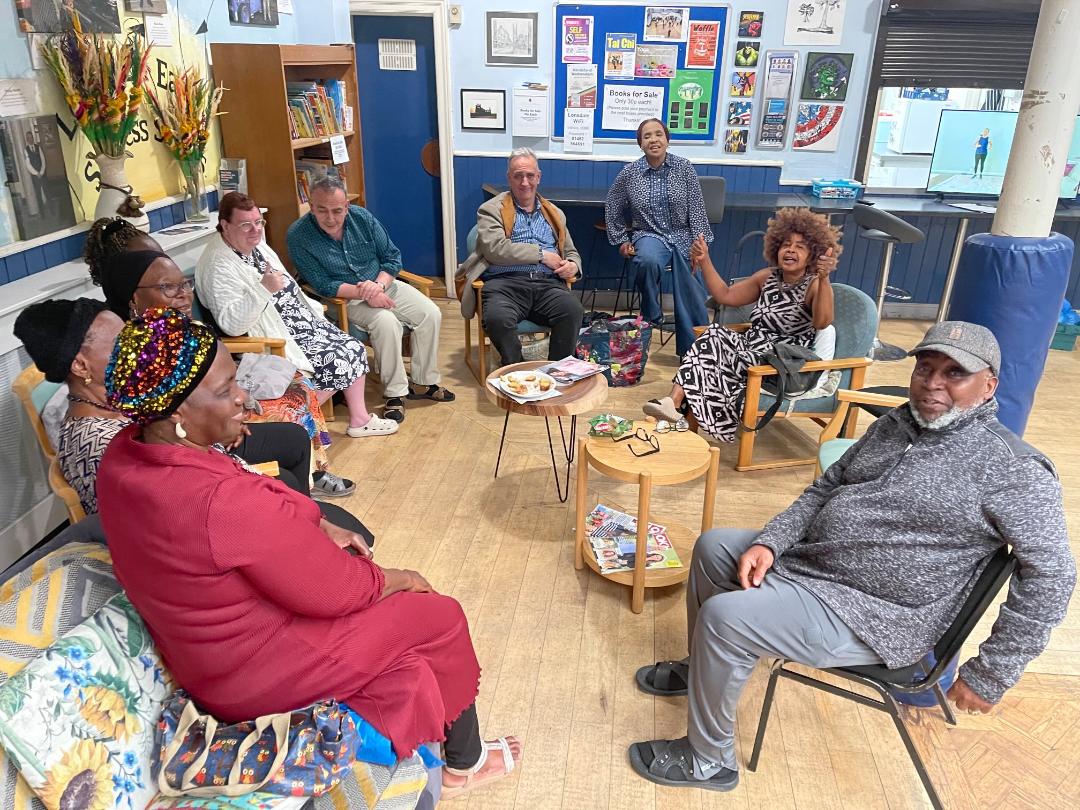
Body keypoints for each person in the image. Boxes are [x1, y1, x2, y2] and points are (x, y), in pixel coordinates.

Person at [628, 322, 1075, 792]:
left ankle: (708, 760)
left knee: (726, 618)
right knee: (713, 547)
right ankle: (701, 667)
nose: (932, 384)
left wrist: (993, 672)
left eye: (954, 373)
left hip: (878, 614)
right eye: (925, 368)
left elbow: (1052, 575)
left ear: (989, 386)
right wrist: (770, 542)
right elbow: (825, 487)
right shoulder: (896, 424)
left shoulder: (1015, 470)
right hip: (815, 564)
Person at [95, 308, 522, 799]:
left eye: (235, 379)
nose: (243, 397)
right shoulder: (216, 502)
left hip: (211, 658)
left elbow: (244, 511)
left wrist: (316, 520)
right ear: (176, 414)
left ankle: (434, 743)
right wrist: (401, 578)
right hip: (256, 671)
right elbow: (337, 591)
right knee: (438, 615)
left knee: (396, 625)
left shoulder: (125, 455)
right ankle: (464, 765)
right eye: (225, 390)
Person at [12, 298, 368, 540]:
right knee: (318, 509)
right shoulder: (99, 447)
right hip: (206, 529)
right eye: (121, 344)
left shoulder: (121, 400)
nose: (139, 349)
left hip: (219, 489)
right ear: (80, 366)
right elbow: (178, 517)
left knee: (292, 451)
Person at [84, 217, 355, 494]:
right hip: (197, 441)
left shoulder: (176, 329)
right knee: (285, 473)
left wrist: (232, 397)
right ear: (131, 293)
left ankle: (310, 480)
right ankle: (295, 494)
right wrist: (227, 416)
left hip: (209, 425)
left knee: (295, 429)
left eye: (184, 284)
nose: (184, 296)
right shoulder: (131, 349)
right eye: (168, 287)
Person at [196, 193, 398, 439]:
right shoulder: (218, 265)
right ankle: (299, 429)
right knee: (339, 359)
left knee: (353, 347)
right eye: (246, 225)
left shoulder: (254, 245)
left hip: (300, 325)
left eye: (259, 222)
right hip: (276, 338)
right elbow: (232, 324)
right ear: (225, 225)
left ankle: (358, 420)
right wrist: (263, 289)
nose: (255, 230)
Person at [643, 207, 838, 442]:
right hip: (750, 346)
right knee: (713, 333)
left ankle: (679, 407)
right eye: (786, 244)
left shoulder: (814, 284)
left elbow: (823, 322)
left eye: (800, 247)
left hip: (779, 361)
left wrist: (824, 279)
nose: (790, 250)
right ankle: (673, 403)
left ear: (812, 255)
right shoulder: (767, 277)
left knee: (710, 361)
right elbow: (725, 295)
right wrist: (705, 260)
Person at [287, 177, 453, 424]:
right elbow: (322, 284)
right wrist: (365, 293)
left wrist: (378, 286)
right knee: (386, 323)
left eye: (337, 210)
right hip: (343, 297)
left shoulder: (362, 218)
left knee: (430, 313)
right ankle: (395, 393)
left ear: (347, 206)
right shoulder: (298, 235)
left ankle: (423, 381)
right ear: (311, 206)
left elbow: (392, 258)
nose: (330, 218)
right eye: (322, 210)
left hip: (382, 284)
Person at [456, 147, 585, 365]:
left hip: (547, 285)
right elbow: (495, 249)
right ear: (509, 178)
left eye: (530, 176)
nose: (525, 182)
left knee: (572, 311)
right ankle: (516, 371)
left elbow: (571, 251)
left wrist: (573, 265)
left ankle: (556, 372)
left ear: (538, 177)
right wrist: (541, 255)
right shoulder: (491, 209)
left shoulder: (554, 213)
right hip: (504, 284)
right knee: (497, 319)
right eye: (518, 176)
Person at [605, 118, 711, 356]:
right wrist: (621, 240)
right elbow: (612, 204)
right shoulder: (630, 173)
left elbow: (696, 208)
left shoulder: (684, 168)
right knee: (647, 260)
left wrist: (700, 245)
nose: (653, 140)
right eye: (647, 136)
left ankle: (693, 352)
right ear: (640, 144)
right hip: (649, 232)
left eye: (658, 134)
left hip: (683, 235)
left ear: (667, 139)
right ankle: (652, 313)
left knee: (691, 285)